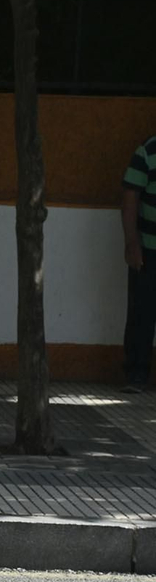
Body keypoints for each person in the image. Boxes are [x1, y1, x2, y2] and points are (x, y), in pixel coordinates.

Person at [119, 132, 156, 393]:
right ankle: (136, 375)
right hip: (149, 250)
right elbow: (130, 195)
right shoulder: (148, 151)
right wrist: (132, 243)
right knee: (142, 312)